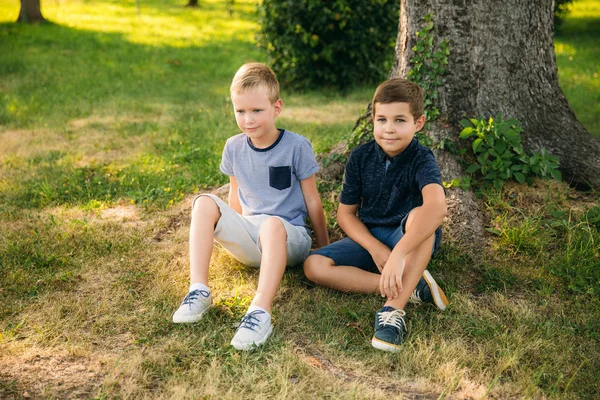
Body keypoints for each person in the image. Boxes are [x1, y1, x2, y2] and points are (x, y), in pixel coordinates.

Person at [173, 63, 329, 351]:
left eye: (257, 110)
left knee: (271, 224)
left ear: (276, 107)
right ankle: (199, 290)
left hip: (289, 236)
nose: (248, 119)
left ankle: (260, 311)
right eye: (240, 111)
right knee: (204, 202)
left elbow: (312, 200)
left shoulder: (296, 146)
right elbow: (235, 197)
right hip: (253, 235)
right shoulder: (233, 147)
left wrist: (324, 246)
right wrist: (237, 230)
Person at [304, 78, 448, 353]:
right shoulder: (360, 157)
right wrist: (377, 250)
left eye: (399, 120)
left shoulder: (421, 158)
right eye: (381, 119)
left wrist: (397, 255)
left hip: (410, 238)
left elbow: (437, 208)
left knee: (421, 216)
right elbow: (346, 215)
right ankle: (411, 285)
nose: (389, 129)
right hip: (370, 237)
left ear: (418, 123)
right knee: (314, 266)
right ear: (372, 119)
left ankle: (393, 311)